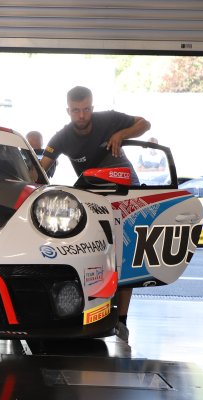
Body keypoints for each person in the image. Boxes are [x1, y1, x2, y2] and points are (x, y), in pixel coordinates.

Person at [39, 86, 150, 343]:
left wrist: (121, 134)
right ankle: (90, 311)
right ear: (68, 110)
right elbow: (42, 168)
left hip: (125, 187)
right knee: (91, 250)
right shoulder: (62, 137)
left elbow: (145, 124)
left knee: (125, 254)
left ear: (92, 107)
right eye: (76, 110)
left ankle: (122, 321)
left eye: (86, 109)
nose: (82, 115)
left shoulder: (108, 119)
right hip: (92, 192)